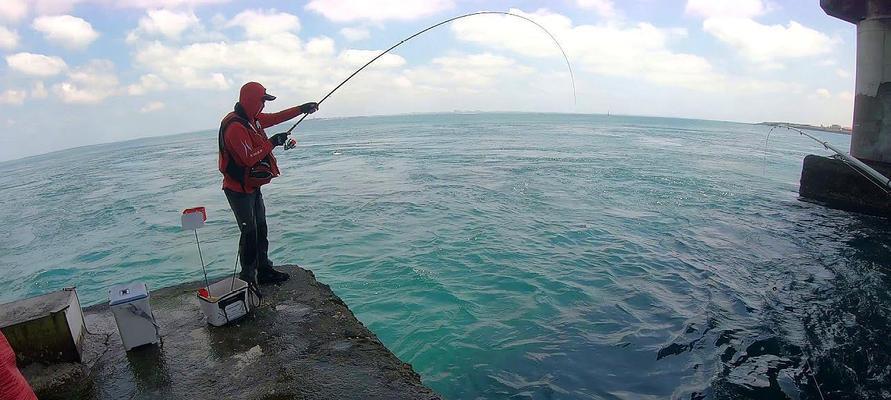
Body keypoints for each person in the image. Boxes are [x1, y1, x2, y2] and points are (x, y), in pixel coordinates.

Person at [218, 81, 318, 290]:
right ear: (251, 100)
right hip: (238, 191)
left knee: (261, 229)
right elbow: (248, 159)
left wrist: (302, 109)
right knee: (249, 233)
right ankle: (248, 278)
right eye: (262, 101)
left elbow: (275, 118)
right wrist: (272, 142)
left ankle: (263, 270)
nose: (264, 106)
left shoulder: (251, 120)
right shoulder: (235, 126)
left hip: (252, 187)